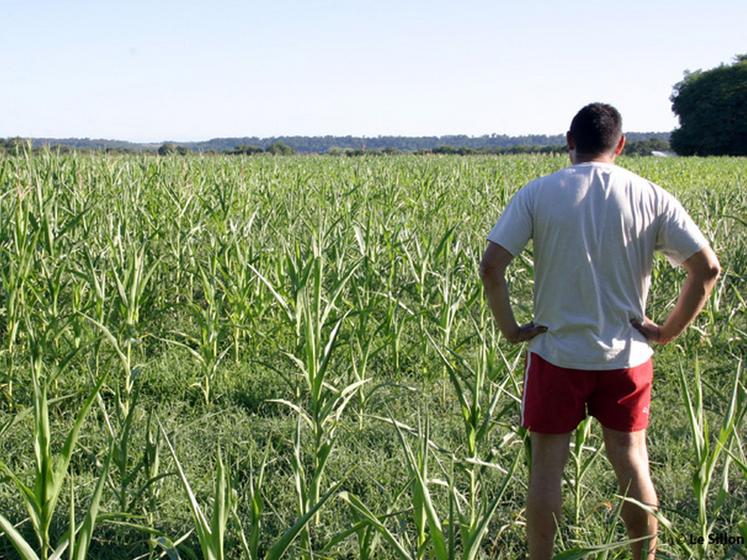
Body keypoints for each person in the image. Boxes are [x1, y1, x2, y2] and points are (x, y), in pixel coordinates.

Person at [479, 103, 720, 560]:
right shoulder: (651, 194)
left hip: (554, 354)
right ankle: (643, 557)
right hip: (628, 357)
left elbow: (492, 265)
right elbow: (706, 270)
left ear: (569, 142)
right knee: (632, 462)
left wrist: (511, 329)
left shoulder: (538, 193)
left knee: (547, 468)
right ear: (621, 144)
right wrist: (665, 331)